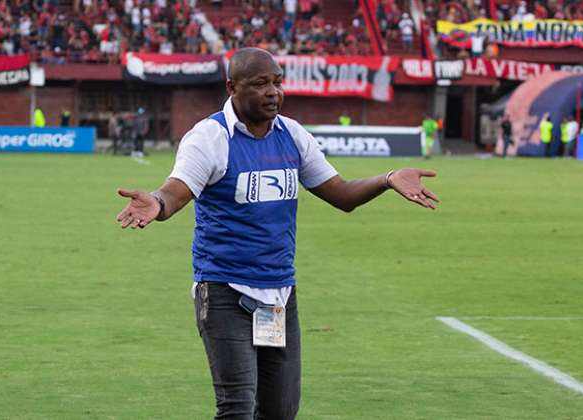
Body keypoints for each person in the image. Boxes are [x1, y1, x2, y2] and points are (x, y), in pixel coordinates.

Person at [115, 48, 439, 419]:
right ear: (232, 87)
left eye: (277, 83)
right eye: (260, 84)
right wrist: (156, 203)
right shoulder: (210, 138)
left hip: (279, 295)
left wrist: (388, 179)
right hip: (224, 290)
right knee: (236, 408)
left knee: (280, 411)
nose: (273, 92)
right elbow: (176, 190)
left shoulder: (292, 135)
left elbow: (342, 195)